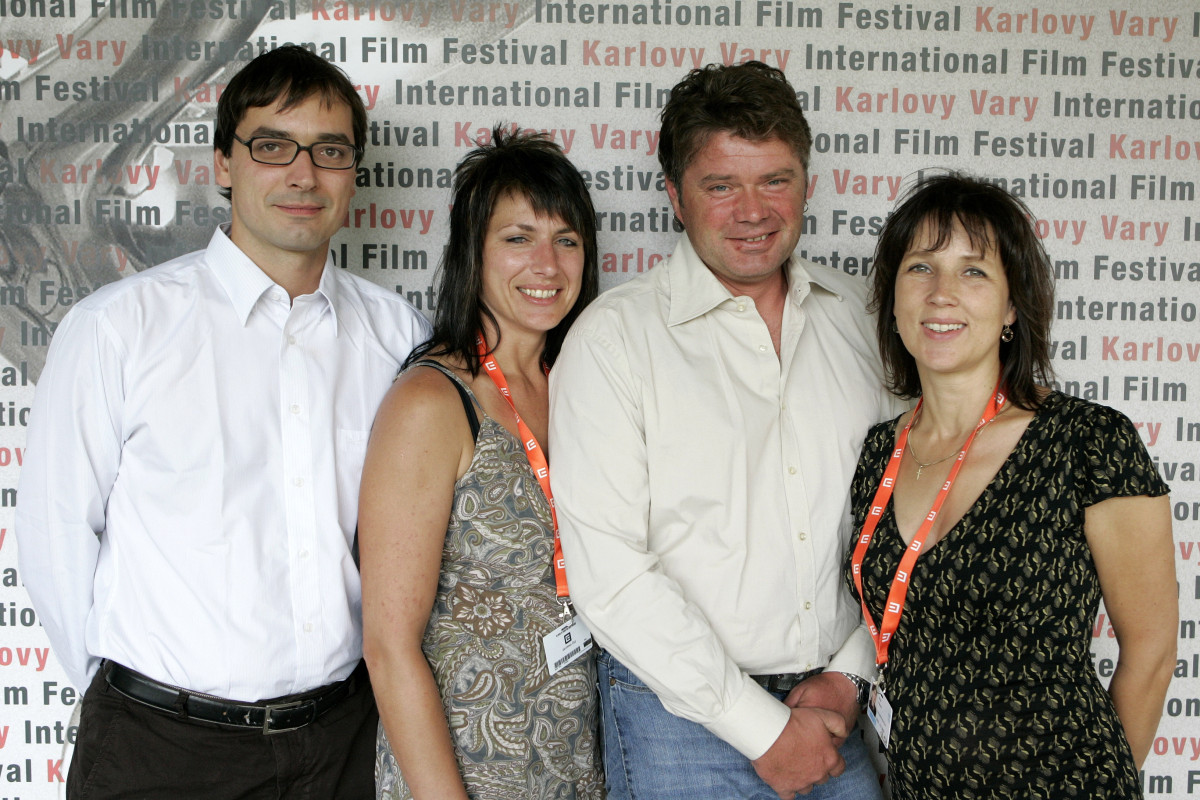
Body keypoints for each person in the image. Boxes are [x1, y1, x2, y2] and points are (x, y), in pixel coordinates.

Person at [15, 45, 430, 798]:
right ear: (223, 165)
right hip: (161, 753)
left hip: (345, 745)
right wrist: (136, 706)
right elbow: (56, 539)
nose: (303, 174)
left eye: (330, 151)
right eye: (272, 146)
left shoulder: (396, 335)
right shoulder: (120, 328)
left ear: (353, 174)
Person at [547, 61, 897, 800]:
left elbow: (909, 517)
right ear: (675, 197)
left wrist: (851, 674)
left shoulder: (864, 321)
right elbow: (610, 572)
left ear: (807, 182)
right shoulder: (613, 340)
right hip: (676, 718)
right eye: (721, 186)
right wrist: (762, 730)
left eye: (775, 180)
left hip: (833, 708)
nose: (753, 211)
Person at [845, 173, 1177, 799]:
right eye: (920, 268)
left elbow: (1152, 651)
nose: (942, 293)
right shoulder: (876, 455)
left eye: (973, 272)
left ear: (1011, 308)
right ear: (892, 300)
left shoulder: (1087, 441)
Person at [360, 127, 603, 800]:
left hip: (576, 763)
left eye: (566, 240)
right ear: (474, 250)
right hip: (465, 771)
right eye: (518, 238)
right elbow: (388, 648)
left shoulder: (584, 389)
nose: (546, 264)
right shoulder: (431, 402)